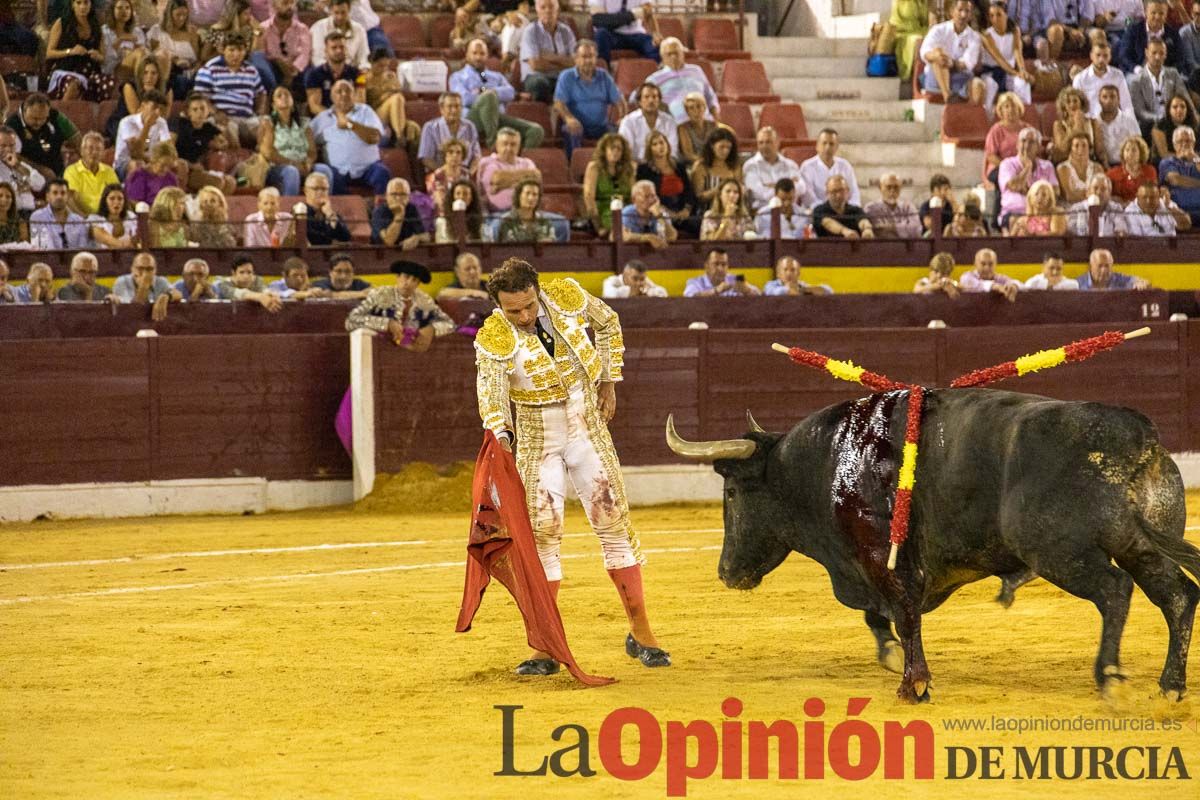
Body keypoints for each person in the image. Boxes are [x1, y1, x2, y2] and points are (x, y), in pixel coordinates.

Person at [473, 256, 670, 672]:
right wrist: (502, 439)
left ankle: (642, 633)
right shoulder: (492, 336)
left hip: (587, 427)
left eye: (528, 305)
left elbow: (609, 322)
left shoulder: (565, 294)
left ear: (537, 290)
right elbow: (490, 396)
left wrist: (608, 380)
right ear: (498, 306)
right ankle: (544, 647)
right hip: (536, 436)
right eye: (514, 311)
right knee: (543, 533)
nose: (524, 316)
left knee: (614, 524)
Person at [452, 37, 544, 150]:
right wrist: (490, 94)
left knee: (536, 131)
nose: (478, 57)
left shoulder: (496, 76)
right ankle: (493, 144)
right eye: (474, 53)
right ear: (467, 55)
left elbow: (510, 93)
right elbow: (465, 99)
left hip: (498, 118)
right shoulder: (458, 77)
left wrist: (483, 90)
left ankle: (515, 162)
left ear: (487, 56)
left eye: (482, 53)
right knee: (489, 97)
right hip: (472, 119)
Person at [346, 259, 454, 350]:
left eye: (414, 280)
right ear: (398, 277)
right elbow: (351, 320)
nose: (409, 283)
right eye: (406, 277)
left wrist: (433, 329)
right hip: (382, 349)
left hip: (414, 351)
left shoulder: (425, 300)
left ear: (418, 284)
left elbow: (450, 324)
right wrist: (387, 323)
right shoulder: (380, 295)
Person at [310, 79, 389, 197]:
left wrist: (350, 125)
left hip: (368, 168)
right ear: (332, 97)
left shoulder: (365, 111)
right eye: (339, 91)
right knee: (327, 175)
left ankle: (379, 210)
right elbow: (307, 138)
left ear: (354, 95)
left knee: (382, 172)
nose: (344, 94)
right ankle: (352, 209)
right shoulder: (323, 118)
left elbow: (374, 138)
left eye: (348, 91)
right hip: (338, 171)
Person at [192, 31, 267, 146]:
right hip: (223, 117)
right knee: (229, 128)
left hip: (247, 118)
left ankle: (263, 158)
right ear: (223, 50)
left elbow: (261, 93)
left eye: (240, 50)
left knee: (267, 124)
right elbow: (200, 97)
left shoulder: (251, 70)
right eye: (232, 50)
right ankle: (238, 158)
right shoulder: (210, 69)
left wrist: (260, 111)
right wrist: (216, 113)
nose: (236, 54)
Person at [554, 39, 623, 160]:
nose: (588, 60)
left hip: (601, 126)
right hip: (577, 124)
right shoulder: (566, 76)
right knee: (571, 130)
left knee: (620, 133)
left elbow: (619, 101)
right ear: (576, 59)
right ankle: (575, 169)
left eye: (591, 56)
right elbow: (559, 103)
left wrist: (623, 117)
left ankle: (614, 169)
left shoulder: (604, 76)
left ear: (596, 58)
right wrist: (569, 118)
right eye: (584, 57)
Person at [46, 0, 115, 102]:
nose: (82, 7)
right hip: (65, 70)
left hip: (90, 72)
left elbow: (102, 58)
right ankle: (63, 114)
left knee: (113, 84)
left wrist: (97, 56)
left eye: (86, 3)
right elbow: (49, 53)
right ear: (73, 5)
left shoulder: (96, 26)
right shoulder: (62, 23)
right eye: (79, 3)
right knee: (74, 84)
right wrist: (70, 51)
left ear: (91, 5)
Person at [362, 49, 420, 167]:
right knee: (395, 99)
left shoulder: (391, 76)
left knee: (414, 127)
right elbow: (363, 106)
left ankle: (415, 165)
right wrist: (384, 97)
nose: (383, 69)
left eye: (386, 66)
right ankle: (399, 135)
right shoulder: (363, 78)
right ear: (372, 63)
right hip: (374, 114)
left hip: (394, 113)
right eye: (380, 65)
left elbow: (400, 97)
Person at [919, 0, 985, 104]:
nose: (963, 15)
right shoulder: (938, 30)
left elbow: (968, 63)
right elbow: (924, 52)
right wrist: (938, 56)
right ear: (951, 12)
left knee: (979, 85)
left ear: (971, 15)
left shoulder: (974, 37)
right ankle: (948, 96)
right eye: (960, 10)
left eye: (967, 11)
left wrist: (952, 63)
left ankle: (969, 116)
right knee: (938, 53)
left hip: (961, 79)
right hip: (935, 78)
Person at [636, 130, 697, 237]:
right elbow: (646, 196)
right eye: (655, 144)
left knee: (697, 225)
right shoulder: (644, 169)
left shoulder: (679, 166)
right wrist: (666, 212)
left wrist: (686, 210)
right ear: (649, 148)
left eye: (662, 142)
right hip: (658, 210)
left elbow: (689, 191)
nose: (660, 146)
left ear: (667, 144)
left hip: (681, 210)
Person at [259, 85, 317, 197]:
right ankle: (289, 211)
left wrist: (308, 162)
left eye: (287, 94)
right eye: (279, 95)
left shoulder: (304, 123)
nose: (284, 97)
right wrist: (293, 164)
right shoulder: (268, 123)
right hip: (278, 167)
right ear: (273, 105)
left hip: (303, 164)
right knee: (292, 172)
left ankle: (324, 209)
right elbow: (267, 152)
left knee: (323, 170)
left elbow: (312, 150)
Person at [6, 94, 82, 179]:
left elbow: (77, 139)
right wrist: (40, 170)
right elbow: (10, 155)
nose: (38, 122)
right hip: (27, 175)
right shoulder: (11, 125)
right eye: (34, 118)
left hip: (58, 174)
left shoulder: (55, 116)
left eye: (43, 118)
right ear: (24, 111)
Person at [644, 37, 719, 124]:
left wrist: (715, 117)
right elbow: (639, 98)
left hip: (704, 121)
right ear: (662, 57)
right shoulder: (654, 79)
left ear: (683, 53)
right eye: (669, 54)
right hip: (676, 124)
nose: (673, 57)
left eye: (676, 53)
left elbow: (710, 96)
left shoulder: (696, 70)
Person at [1129, 40, 1189, 141]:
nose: (1157, 57)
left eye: (1161, 53)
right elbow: (1140, 111)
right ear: (1147, 53)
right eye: (1154, 53)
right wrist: (1160, 118)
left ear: (1165, 55)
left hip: (1174, 119)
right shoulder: (1136, 81)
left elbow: (1184, 97)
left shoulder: (1173, 74)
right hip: (1151, 123)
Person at [978, 0, 1032, 111]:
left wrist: (1022, 70)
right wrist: (1016, 73)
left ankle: (1026, 117)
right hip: (990, 73)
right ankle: (987, 119)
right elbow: (999, 59)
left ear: (1006, 14)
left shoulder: (1014, 30)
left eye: (999, 14)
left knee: (1022, 84)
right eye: (992, 16)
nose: (995, 19)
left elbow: (1017, 52)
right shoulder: (986, 35)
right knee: (990, 86)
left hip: (1009, 73)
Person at [997, 126, 1057, 226]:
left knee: (1059, 220)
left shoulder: (1047, 166)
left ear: (1038, 147)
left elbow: (1055, 191)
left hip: (1041, 213)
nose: (1026, 145)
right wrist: (1027, 167)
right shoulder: (1006, 164)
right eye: (1023, 141)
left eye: (1031, 142)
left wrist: (1028, 190)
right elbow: (1015, 186)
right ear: (1017, 145)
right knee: (1020, 224)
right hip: (1015, 213)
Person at [519, 0, 575, 103]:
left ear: (557, 9)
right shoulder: (530, 31)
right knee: (540, 84)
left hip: (561, 77)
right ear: (537, 10)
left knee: (580, 81)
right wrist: (562, 62)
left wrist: (552, 57)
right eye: (543, 7)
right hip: (535, 77)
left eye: (551, 7)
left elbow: (574, 62)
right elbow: (536, 65)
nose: (547, 11)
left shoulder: (566, 31)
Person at [742, 127, 807, 214]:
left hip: (790, 212)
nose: (764, 146)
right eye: (761, 143)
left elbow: (802, 188)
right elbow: (760, 194)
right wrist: (787, 185)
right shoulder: (750, 166)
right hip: (763, 214)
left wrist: (773, 186)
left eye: (768, 142)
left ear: (777, 143)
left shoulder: (790, 165)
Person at [583, 132, 635, 238]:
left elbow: (633, 196)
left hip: (625, 210)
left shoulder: (628, 168)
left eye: (619, 149)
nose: (615, 152)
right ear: (604, 150)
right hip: (603, 211)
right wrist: (598, 226)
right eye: (612, 148)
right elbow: (589, 197)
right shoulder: (594, 167)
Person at [478, 127, 540, 214]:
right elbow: (497, 178)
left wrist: (503, 183)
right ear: (497, 145)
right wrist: (524, 179)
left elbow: (536, 177)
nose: (509, 148)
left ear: (519, 147)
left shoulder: (527, 162)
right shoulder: (487, 162)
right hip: (498, 214)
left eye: (513, 144)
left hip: (527, 213)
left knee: (561, 222)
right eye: (505, 144)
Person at [148, 0, 201, 99]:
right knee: (180, 81)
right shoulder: (157, 30)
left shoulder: (191, 32)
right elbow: (153, 54)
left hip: (190, 70)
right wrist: (175, 59)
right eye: (178, 15)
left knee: (198, 78)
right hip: (169, 72)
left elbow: (198, 58)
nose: (182, 18)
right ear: (169, 14)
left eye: (185, 14)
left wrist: (195, 67)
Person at [418, 93, 482, 176]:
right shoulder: (430, 127)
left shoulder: (470, 126)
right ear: (442, 109)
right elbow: (426, 159)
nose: (454, 110)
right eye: (450, 106)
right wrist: (447, 173)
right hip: (439, 173)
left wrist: (468, 174)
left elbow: (477, 157)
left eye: (457, 106)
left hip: (465, 174)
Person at [114, 88, 172, 178]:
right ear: (143, 106)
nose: (158, 112)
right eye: (154, 107)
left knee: (179, 165)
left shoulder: (161, 122)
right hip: (124, 163)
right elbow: (135, 153)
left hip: (152, 161)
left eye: (161, 109)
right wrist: (147, 126)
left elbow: (168, 148)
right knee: (138, 165)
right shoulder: (127, 122)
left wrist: (161, 161)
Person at [617, 82, 678, 163]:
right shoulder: (628, 122)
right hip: (638, 166)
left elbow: (673, 150)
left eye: (654, 97)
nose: (651, 100)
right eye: (646, 97)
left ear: (659, 101)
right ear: (639, 101)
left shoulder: (669, 121)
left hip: (664, 164)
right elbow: (626, 151)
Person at [799, 129, 861, 207]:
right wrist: (829, 211)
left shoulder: (845, 165)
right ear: (817, 146)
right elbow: (809, 199)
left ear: (837, 147)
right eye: (824, 143)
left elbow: (854, 194)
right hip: (817, 213)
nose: (827, 147)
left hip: (843, 212)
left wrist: (850, 210)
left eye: (831, 144)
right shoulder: (807, 167)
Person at [304, 30, 360, 116]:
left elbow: (361, 100)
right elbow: (314, 106)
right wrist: (337, 116)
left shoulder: (358, 74)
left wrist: (348, 118)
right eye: (334, 48)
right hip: (325, 118)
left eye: (342, 47)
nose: (338, 51)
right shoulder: (313, 74)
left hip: (351, 118)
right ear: (326, 50)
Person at [114, 251, 183, 320]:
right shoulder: (122, 281)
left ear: (155, 270)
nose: (145, 273)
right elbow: (133, 310)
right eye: (140, 268)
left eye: (149, 269)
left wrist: (167, 296)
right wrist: (143, 287)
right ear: (132, 269)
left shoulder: (161, 281)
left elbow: (179, 294)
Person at [64, 133, 119, 218]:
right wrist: (85, 218)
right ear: (82, 151)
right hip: (83, 218)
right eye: (90, 148)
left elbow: (117, 194)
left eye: (98, 149)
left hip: (107, 217)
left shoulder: (109, 171)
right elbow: (70, 200)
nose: (94, 152)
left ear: (103, 153)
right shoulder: (72, 171)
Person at [1117, 0, 1181, 73]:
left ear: (1166, 15)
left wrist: (1169, 72)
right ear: (1146, 12)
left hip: (1165, 74)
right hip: (1136, 72)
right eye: (1153, 13)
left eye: (1161, 13)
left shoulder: (1173, 33)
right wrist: (1137, 69)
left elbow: (1180, 59)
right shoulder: (1133, 30)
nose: (1157, 17)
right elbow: (1124, 55)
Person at [1071, 42, 1133, 117]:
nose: (1101, 59)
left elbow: (1126, 105)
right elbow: (1076, 108)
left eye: (1105, 56)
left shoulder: (1118, 75)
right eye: (1098, 55)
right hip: (1090, 123)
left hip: (1114, 122)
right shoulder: (1080, 79)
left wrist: (1130, 124)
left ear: (1110, 57)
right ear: (1091, 56)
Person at [589, 0, 661, 65]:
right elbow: (598, 20)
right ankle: (604, 73)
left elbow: (648, 13)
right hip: (612, 34)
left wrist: (655, 33)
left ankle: (653, 75)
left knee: (655, 45)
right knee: (600, 34)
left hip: (636, 34)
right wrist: (631, 15)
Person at [262, 0, 311, 91]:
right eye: (285, 3)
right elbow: (263, 54)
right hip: (274, 68)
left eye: (292, 3)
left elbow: (304, 55)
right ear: (274, 6)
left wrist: (293, 70)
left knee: (309, 74)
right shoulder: (264, 28)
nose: (290, 7)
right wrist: (279, 61)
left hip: (296, 70)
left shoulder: (303, 29)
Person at [984, 91, 1027, 194]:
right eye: (1006, 107)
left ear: (1019, 109)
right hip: (1000, 166)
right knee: (1005, 177)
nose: (1010, 110)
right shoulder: (996, 130)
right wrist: (1009, 166)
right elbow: (990, 155)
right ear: (1001, 111)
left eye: (1013, 106)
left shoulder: (1027, 129)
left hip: (1023, 167)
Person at [687, 127, 741, 208]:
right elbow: (698, 197)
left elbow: (739, 188)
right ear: (712, 146)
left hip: (732, 210)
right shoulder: (701, 166)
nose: (725, 151)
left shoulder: (734, 166)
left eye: (728, 148)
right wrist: (720, 190)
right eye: (721, 147)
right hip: (708, 211)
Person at [371, 177, 430, 249]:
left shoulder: (411, 208)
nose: (398, 198)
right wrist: (399, 215)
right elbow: (388, 241)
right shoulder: (379, 212)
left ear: (409, 197)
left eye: (403, 194)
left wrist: (417, 238)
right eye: (394, 194)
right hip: (383, 255)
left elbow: (426, 236)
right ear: (386, 196)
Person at [30, 179, 90, 250]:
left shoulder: (79, 220)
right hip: (46, 259)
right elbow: (40, 247)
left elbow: (83, 249)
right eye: (55, 193)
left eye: (63, 193)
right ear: (47, 197)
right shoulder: (37, 217)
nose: (59, 197)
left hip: (75, 259)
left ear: (67, 196)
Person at [214, 252, 285, 310]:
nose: (246, 276)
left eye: (249, 272)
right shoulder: (223, 284)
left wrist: (272, 295)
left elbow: (265, 290)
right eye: (241, 272)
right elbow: (241, 293)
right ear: (233, 273)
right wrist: (260, 297)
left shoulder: (257, 280)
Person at [1159, 125, 1200, 224]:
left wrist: (1196, 159)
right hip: (1180, 211)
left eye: (1188, 141)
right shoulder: (1168, 162)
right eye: (1180, 141)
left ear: (1193, 143)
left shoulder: (1199, 161)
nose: (1185, 144)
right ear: (1174, 145)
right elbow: (1176, 180)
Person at [310, 0, 368, 69]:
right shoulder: (319, 27)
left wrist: (363, 68)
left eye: (343, 13)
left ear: (349, 10)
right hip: (325, 72)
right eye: (336, 13)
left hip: (351, 72)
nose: (340, 17)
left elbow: (363, 57)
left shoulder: (359, 29)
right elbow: (317, 58)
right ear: (330, 11)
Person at [0, 126, 46, 214]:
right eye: (3, 146)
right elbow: (6, 199)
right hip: (8, 214)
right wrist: (33, 202)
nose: (8, 149)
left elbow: (40, 184)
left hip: (30, 213)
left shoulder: (19, 164)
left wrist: (18, 166)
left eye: (12, 145)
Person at [1051, 86, 1103, 163]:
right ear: (1064, 106)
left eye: (1075, 101)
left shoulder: (1093, 123)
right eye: (1068, 102)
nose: (1072, 104)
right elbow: (1062, 149)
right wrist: (1077, 124)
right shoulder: (1058, 125)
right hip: (1067, 162)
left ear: (1081, 103)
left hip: (1090, 161)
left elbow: (1099, 151)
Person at [621, 180, 677, 249]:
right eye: (646, 196)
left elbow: (672, 236)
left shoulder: (661, 212)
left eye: (653, 196)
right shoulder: (627, 212)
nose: (651, 200)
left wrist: (658, 215)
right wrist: (647, 237)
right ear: (634, 199)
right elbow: (622, 235)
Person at [864, 172, 922, 237]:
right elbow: (877, 230)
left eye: (896, 187)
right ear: (880, 188)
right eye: (888, 187)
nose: (892, 190)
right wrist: (904, 228)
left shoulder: (908, 207)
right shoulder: (871, 208)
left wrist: (892, 227)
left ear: (900, 188)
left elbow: (916, 230)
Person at [683, 247, 760, 296]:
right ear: (706, 266)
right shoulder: (695, 282)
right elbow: (689, 298)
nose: (720, 268)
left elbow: (759, 295)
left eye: (724, 264)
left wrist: (747, 291)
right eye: (716, 264)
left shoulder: (733, 279)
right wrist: (716, 291)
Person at [126, 140, 182, 207]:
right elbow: (133, 202)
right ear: (153, 160)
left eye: (169, 166)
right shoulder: (138, 176)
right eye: (163, 165)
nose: (166, 169)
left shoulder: (171, 178)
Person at [1124, 180, 1192, 234]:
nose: (1148, 201)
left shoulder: (1167, 204)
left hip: (1170, 248)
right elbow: (1137, 240)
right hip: (1145, 248)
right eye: (1144, 197)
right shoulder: (1130, 211)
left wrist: (1169, 207)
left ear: (1159, 196)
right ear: (1137, 196)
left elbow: (1186, 225)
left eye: (1152, 197)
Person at [675, 92, 724, 165]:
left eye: (698, 106)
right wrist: (706, 162)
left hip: (712, 163)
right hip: (691, 165)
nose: (696, 111)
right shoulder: (682, 128)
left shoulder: (713, 126)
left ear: (704, 108)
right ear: (687, 111)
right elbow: (689, 154)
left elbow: (718, 149)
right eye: (691, 108)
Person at [1057, 132, 1106, 203]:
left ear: (1089, 148)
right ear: (1070, 148)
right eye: (1076, 146)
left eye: (1084, 145)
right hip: (1071, 209)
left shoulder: (1098, 168)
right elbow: (1069, 196)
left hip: (1094, 206)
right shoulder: (1062, 168)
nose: (1080, 149)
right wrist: (1091, 194)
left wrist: (1080, 194)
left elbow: (1101, 194)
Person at [1106, 134, 1158, 201]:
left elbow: (1153, 193)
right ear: (1123, 153)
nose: (1130, 153)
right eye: (1127, 150)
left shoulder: (1150, 171)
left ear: (1141, 153)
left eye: (1134, 150)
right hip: (1120, 208)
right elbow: (1106, 194)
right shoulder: (1112, 173)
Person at [89, 183, 139, 248]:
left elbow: (139, 239)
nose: (116, 202)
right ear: (105, 201)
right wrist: (125, 245)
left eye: (120, 199)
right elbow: (106, 240)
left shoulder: (131, 216)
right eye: (112, 198)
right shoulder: (95, 219)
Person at [434, 179, 485, 243]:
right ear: (453, 197)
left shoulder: (480, 222)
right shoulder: (442, 222)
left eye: (465, 194)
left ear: (471, 198)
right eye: (458, 193)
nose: (461, 197)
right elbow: (441, 244)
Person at [426, 139, 471, 210]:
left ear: (463, 156)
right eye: (450, 152)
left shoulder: (466, 174)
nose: (454, 155)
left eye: (458, 152)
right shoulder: (436, 176)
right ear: (445, 155)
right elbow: (437, 201)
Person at [1153, 94, 1200, 160]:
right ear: (1169, 110)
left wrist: (1194, 157)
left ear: (1187, 109)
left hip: (1193, 159)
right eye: (1175, 107)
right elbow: (1164, 154)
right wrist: (1185, 157)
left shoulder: (1195, 124)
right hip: (1168, 161)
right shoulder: (1159, 126)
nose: (1179, 110)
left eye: (1183, 107)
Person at [1077, 247, 1150, 289]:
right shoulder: (1078, 284)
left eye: (1107, 266)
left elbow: (1142, 282)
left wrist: (1141, 283)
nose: (1104, 270)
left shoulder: (1119, 279)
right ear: (1090, 266)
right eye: (1100, 266)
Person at [764, 255, 832, 295]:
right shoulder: (770, 285)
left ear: (798, 274)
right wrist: (788, 289)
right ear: (778, 273)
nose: (789, 273)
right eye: (785, 270)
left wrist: (805, 290)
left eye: (793, 270)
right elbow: (772, 292)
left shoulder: (802, 286)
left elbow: (829, 290)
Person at [602, 259, 667, 298]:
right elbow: (609, 297)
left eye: (641, 279)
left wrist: (649, 293)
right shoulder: (611, 281)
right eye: (635, 279)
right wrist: (629, 292)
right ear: (625, 275)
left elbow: (663, 293)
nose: (638, 283)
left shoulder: (645, 280)